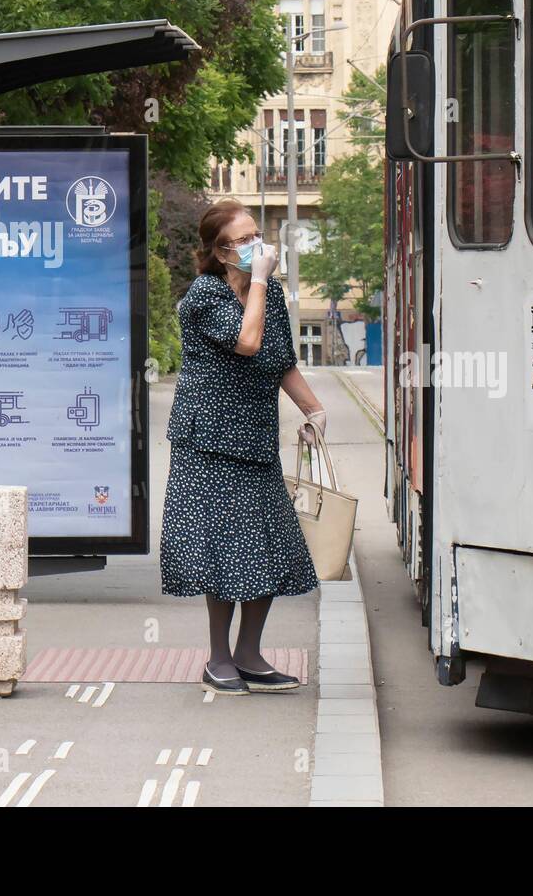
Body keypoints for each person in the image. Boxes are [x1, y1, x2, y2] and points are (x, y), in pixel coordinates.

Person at [160, 198, 325, 696]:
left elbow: (278, 359)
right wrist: (257, 283)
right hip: (207, 442)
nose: (259, 245)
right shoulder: (203, 297)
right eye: (246, 239)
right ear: (221, 250)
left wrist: (314, 410)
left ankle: (250, 653)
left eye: (258, 234)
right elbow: (247, 341)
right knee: (223, 552)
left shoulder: (268, 294)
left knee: (270, 548)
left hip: (254, 440)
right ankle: (218, 657)